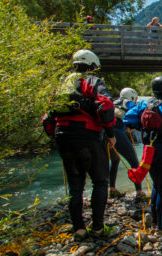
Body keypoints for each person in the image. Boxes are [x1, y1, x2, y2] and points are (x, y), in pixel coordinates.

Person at [42, 49, 116, 240]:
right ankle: (99, 228)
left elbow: (48, 115)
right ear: (91, 65)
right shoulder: (93, 82)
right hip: (87, 135)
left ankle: (79, 229)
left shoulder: (62, 83)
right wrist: (110, 134)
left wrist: (57, 135)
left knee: (76, 186)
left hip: (63, 136)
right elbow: (106, 107)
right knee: (100, 181)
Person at [123, 76, 162, 236]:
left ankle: (155, 221)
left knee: (156, 185)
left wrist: (143, 126)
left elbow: (127, 119)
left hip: (149, 148)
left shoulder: (144, 104)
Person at [109, 88, 144, 199]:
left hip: (105, 134)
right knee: (134, 163)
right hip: (117, 134)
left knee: (115, 160)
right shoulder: (127, 103)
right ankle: (139, 192)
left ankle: (112, 189)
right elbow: (138, 114)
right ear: (131, 97)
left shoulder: (113, 101)